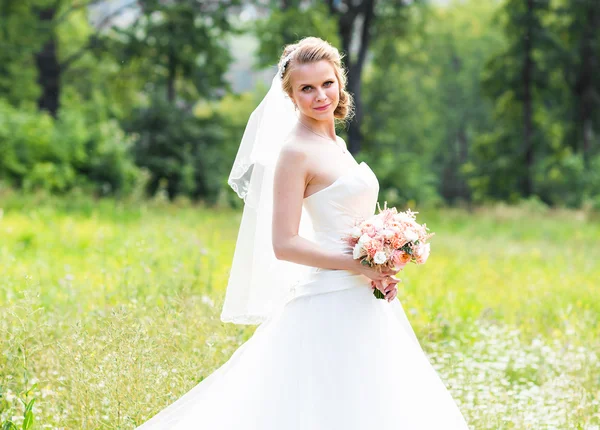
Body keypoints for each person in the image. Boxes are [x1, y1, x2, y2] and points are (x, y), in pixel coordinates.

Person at [136, 37, 469, 429]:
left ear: (340, 82)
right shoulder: (294, 152)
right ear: (291, 95)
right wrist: (358, 264)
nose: (320, 96)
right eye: (306, 88)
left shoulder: (337, 144)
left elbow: (347, 220)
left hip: (365, 295)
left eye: (327, 83)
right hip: (328, 296)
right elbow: (285, 243)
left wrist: (383, 257)